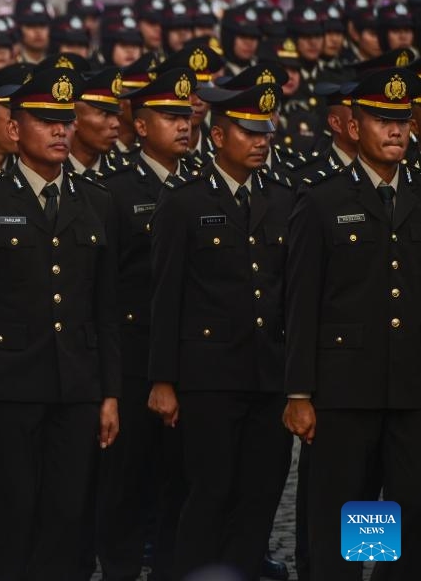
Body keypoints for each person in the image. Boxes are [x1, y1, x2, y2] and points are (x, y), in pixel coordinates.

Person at [0, 67, 120, 581]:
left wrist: (109, 393)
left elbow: (106, 308)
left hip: (74, 386)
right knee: (11, 514)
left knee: (66, 516)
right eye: (45, 121)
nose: (59, 132)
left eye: (65, 122)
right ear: (13, 130)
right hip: (6, 388)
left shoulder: (97, 203)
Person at [148, 78, 294, 581]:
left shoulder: (282, 198)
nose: (260, 142)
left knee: (260, 494)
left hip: (268, 373)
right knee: (210, 490)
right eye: (248, 132)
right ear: (217, 136)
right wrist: (163, 379)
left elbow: (287, 293)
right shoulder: (185, 202)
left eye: (265, 133)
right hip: (208, 375)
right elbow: (166, 296)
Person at [284, 67, 421, 581]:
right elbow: (301, 302)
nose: (394, 132)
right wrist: (298, 391)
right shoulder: (323, 201)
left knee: (403, 510)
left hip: (409, 390)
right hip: (344, 392)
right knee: (344, 509)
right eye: (381, 121)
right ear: (354, 126)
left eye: (401, 121)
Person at [91, 67, 198, 581]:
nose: (184, 126)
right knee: (126, 490)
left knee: (184, 485)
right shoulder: (112, 191)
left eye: (188, 116)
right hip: (134, 362)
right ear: (139, 126)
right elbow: (104, 292)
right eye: (170, 117)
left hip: (193, 361)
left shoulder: (203, 186)